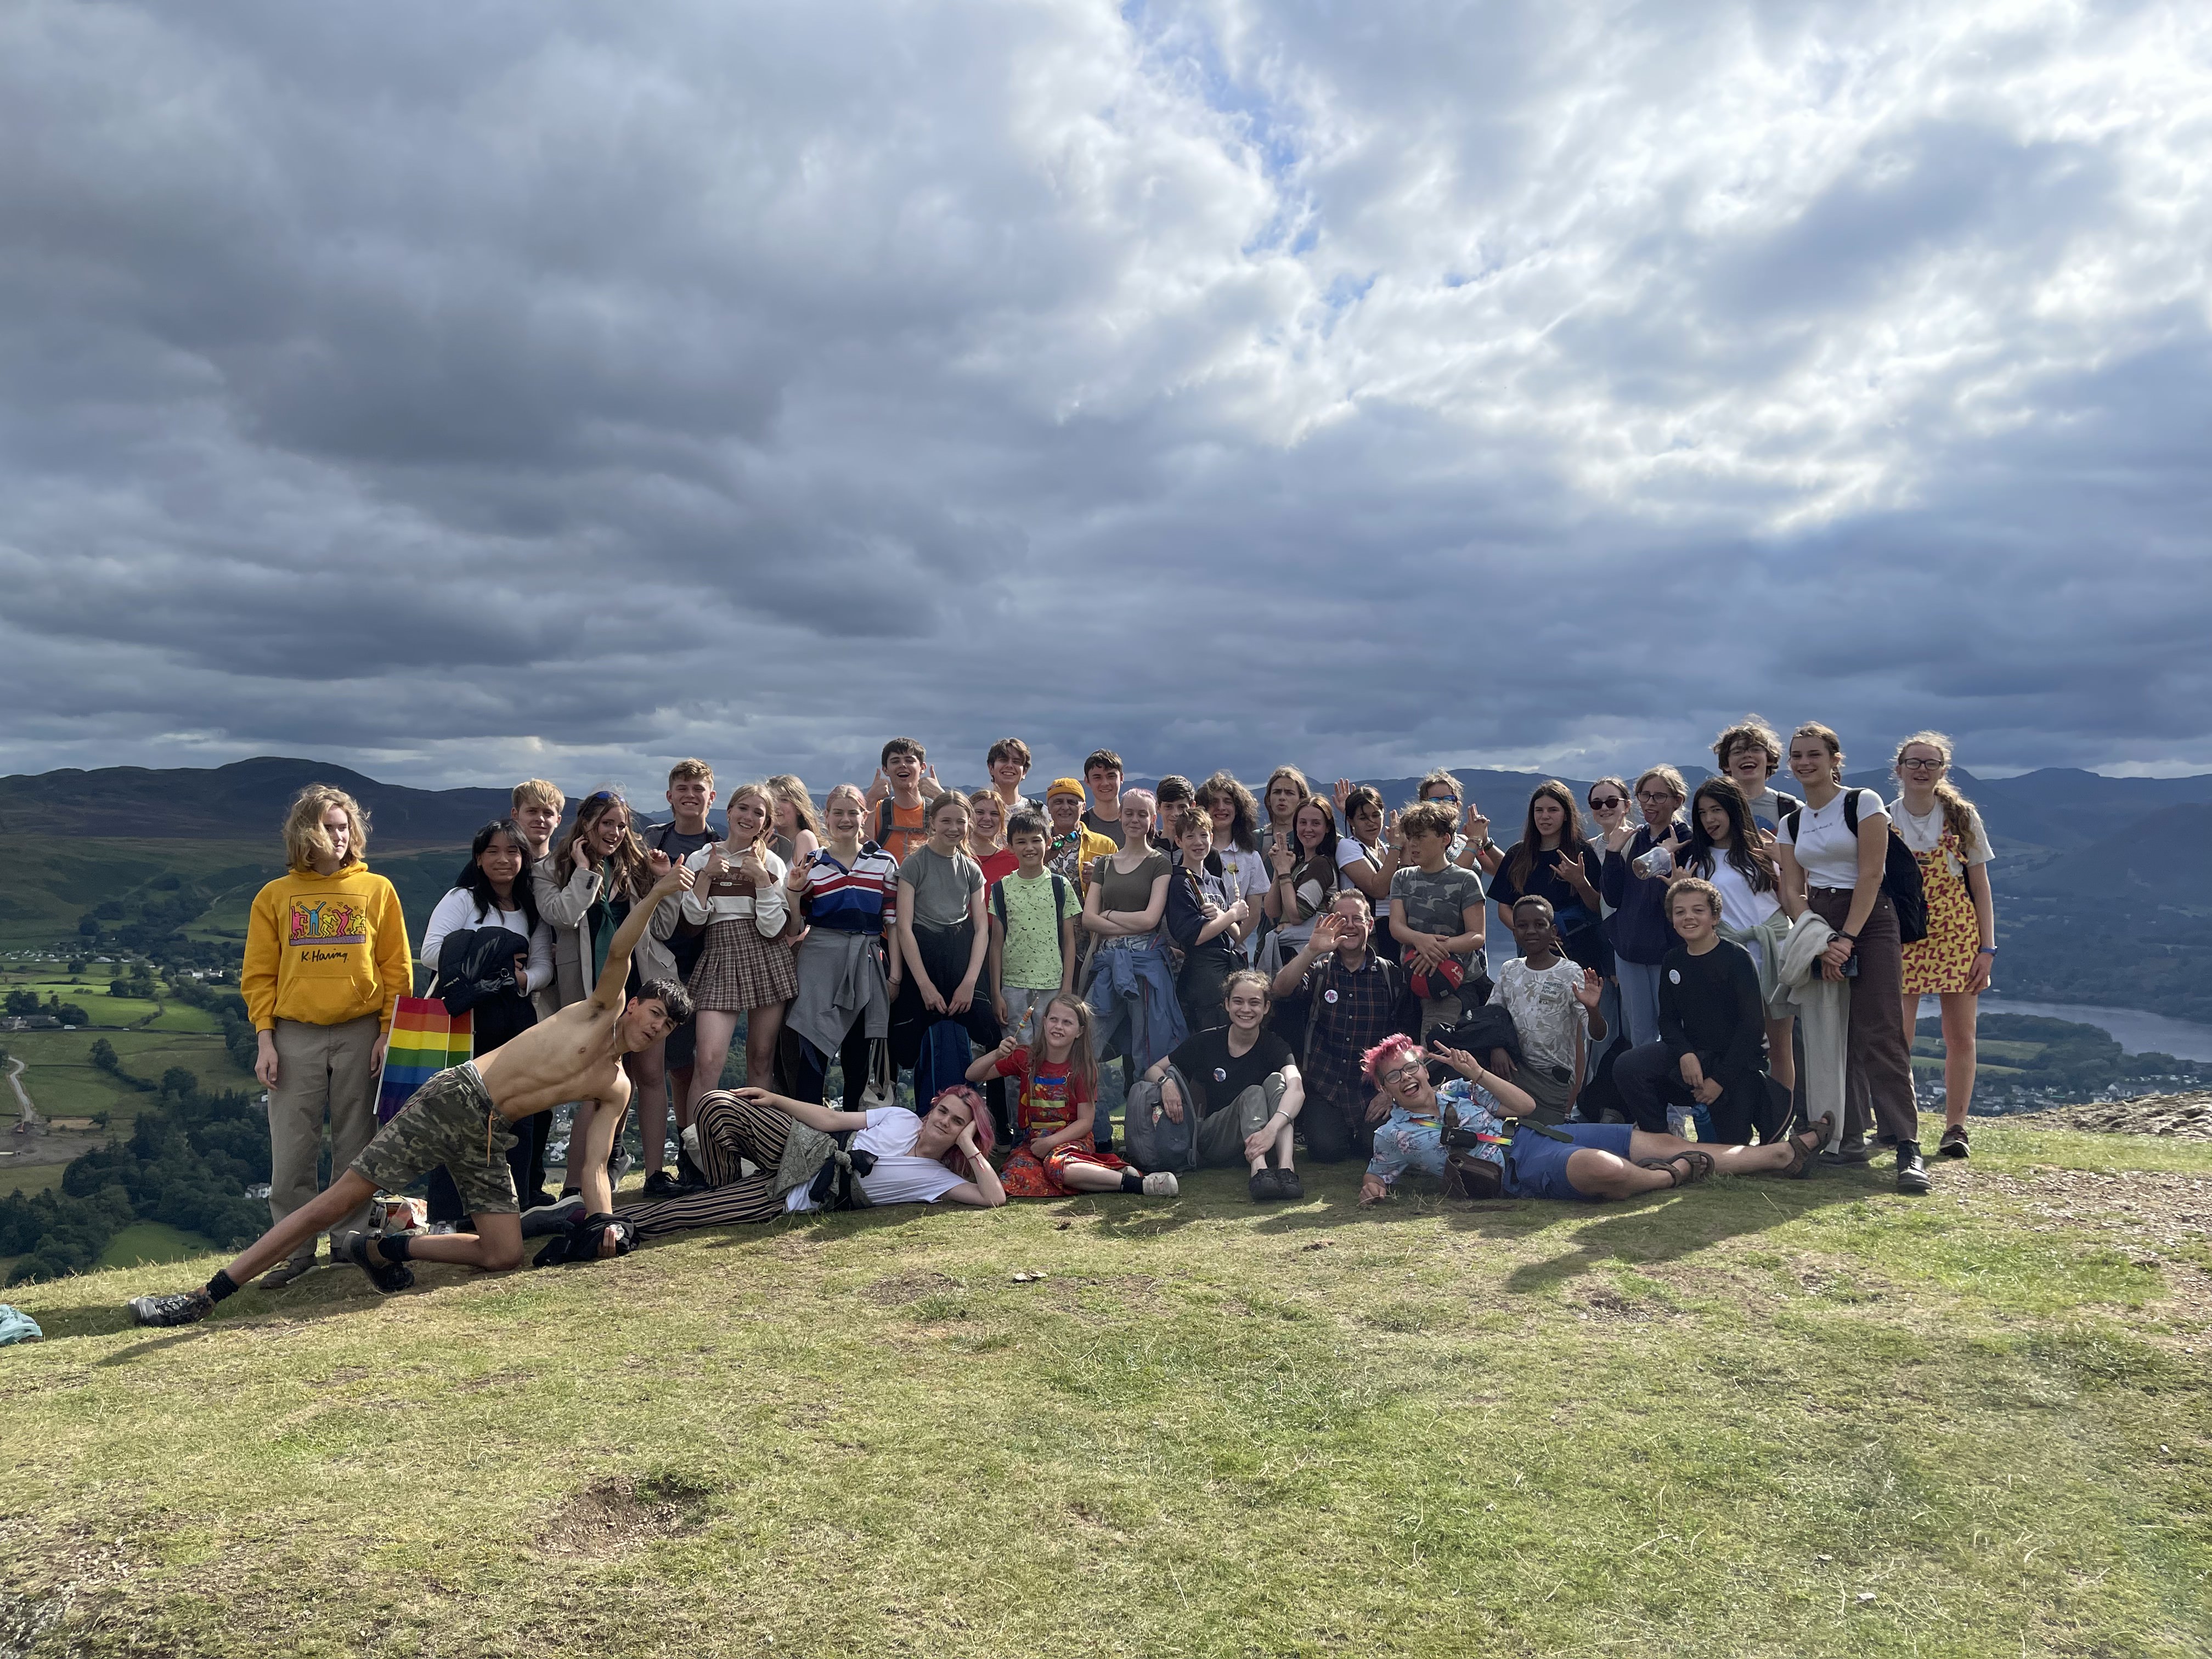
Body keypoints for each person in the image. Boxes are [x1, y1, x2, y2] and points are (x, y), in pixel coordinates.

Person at [128, 865, 697, 1325]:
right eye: (654, 1014)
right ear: (635, 1003)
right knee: (338, 1198)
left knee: (502, 1255)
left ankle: (381, 1249)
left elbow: (597, 1166)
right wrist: (661, 891)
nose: (655, 1028)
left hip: (490, 1132)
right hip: (457, 1096)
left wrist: (605, 1226)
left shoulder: (616, 1085)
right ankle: (207, 1295)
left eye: (667, 1027)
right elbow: (621, 948)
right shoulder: (598, 1010)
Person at [238, 785, 413, 1289]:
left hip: (361, 1030)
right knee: (292, 1146)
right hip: (294, 1033)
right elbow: (259, 975)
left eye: (344, 828)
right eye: (328, 829)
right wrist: (265, 1040)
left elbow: (396, 968)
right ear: (305, 835)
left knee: (357, 1141)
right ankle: (292, 1251)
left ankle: (349, 1243)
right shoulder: (274, 896)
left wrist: (387, 1031)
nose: (339, 838)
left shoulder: (377, 890)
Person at [1356, 1032, 1821, 1209]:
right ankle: (1671, 1178)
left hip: (1540, 1133)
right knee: (1602, 1169)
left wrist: (1477, 1072)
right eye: (1393, 1076)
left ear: (1423, 1066)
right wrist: (1373, 1188)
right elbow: (1377, 1175)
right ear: (1384, 1088)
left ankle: (1778, 1155)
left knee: (1655, 1141)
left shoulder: (1459, 1089)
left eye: (1411, 1066)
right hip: (1515, 1169)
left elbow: (1525, 1108)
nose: (1407, 1077)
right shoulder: (1393, 1134)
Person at [1775, 723, 1928, 1193]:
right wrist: (1819, 935)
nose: (1804, 763)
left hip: (1871, 918)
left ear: (1834, 759)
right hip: (1820, 921)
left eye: (1814, 754)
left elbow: (1871, 873)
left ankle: (1906, 1144)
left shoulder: (1862, 803)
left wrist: (1848, 937)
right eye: (1797, 755)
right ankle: (1846, 1138)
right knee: (1829, 1031)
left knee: (1879, 1029)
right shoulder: (1791, 822)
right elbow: (1790, 887)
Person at [611, 1084, 1005, 1243]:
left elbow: (994, 1198)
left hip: (804, 1195)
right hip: (802, 1147)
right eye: (944, 1111)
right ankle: (722, 1188)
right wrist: (775, 1098)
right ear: (934, 1107)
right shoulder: (901, 1116)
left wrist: (970, 1146)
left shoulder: (936, 1180)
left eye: (957, 1122)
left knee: (685, 1212)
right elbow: (833, 1121)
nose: (944, 1121)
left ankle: (606, 1226)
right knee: (715, 1104)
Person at [537, 789, 688, 1197]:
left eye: (622, 825)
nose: (616, 833)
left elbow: (663, 927)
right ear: (586, 823)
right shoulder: (551, 868)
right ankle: (574, 1186)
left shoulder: (636, 865)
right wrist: (586, 872)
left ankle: (655, 1174)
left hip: (644, 981)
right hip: (593, 992)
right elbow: (564, 915)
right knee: (599, 1082)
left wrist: (662, 883)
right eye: (607, 824)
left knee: (651, 1077)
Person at [417, 820, 556, 1223]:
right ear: (479, 858)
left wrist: (520, 978)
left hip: (515, 1017)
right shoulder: (463, 900)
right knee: (458, 1116)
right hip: (465, 1021)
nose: (503, 860)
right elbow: (430, 952)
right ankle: (449, 1215)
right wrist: (497, 955)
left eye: (512, 852)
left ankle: (515, 1208)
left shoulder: (531, 907)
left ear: (524, 859)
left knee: (519, 1112)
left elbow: (544, 966)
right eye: (493, 851)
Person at [1613, 881, 1790, 1147]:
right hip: (1694, 1056)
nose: (1689, 918)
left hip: (1735, 1063)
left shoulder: (1737, 959)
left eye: (1698, 910)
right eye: (1680, 912)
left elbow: (1752, 1028)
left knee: (1728, 1147)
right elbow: (1668, 1020)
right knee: (1629, 1066)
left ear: (1715, 917)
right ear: (1672, 919)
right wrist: (1685, 1054)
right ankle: (1661, 1141)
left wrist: (1719, 1080)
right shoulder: (1673, 959)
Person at [1891, 732, 1997, 1159]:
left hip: (1958, 935)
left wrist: (1987, 949)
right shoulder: (1881, 817)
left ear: (1942, 771)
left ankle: (1956, 1128)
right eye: (1914, 762)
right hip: (1902, 935)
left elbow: (1981, 887)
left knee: (1961, 1036)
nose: (1921, 770)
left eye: (1930, 764)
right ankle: (1900, 1124)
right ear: (1898, 769)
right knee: (1898, 1037)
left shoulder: (1962, 817)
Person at [968, 994, 1178, 1199]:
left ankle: (1138, 1184)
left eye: (1067, 1022)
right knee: (1016, 1177)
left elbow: (1085, 1122)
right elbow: (973, 1075)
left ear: (1080, 1031)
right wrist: (996, 1054)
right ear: (1044, 1022)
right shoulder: (1025, 1057)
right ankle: (1104, 1172)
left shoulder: (1082, 1068)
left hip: (1072, 1140)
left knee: (1058, 1166)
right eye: (1054, 1020)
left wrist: (1051, 1143)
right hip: (1034, 1143)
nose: (1058, 1026)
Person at [1668, 777, 1797, 1098]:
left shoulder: (1763, 849)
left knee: (1781, 1046)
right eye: (1702, 813)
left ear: (1734, 810)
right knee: (1735, 1042)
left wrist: (1784, 860)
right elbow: (1686, 916)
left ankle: (1778, 1124)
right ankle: (1736, 1118)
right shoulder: (1698, 862)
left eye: (1717, 810)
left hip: (1774, 952)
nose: (1710, 819)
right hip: (1728, 963)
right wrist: (1677, 887)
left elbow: (1789, 899)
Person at [1137, 970, 1307, 1201]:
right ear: (1226, 1004)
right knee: (1254, 1092)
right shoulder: (1207, 1041)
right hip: (1214, 1139)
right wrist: (1166, 1083)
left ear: (1266, 1008)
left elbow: (1297, 1089)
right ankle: (1259, 1172)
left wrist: (1271, 1130)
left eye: (1254, 1003)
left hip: (1265, 1137)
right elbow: (1153, 1070)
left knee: (1280, 1082)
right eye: (1238, 1001)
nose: (1246, 1010)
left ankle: (1286, 1170)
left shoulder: (1275, 1045)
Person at [1269, 893, 1413, 1163]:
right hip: (1326, 1086)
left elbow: (1406, 1042)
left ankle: (1364, 1132)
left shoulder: (1391, 976)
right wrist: (1311, 950)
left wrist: (1390, 1094)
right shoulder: (1319, 971)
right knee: (1326, 1151)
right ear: (1330, 924)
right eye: (1341, 919)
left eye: (1357, 919)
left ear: (1370, 925)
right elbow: (1279, 989)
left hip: (1374, 1089)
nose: (1349, 925)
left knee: (1373, 1147)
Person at [785, 783, 901, 1110]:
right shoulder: (812, 863)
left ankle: (851, 1141)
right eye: (838, 812)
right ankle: (808, 1141)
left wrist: (896, 976)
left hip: (867, 959)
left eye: (853, 812)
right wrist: (793, 893)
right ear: (827, 817)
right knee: (813, 1051)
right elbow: (796, 927)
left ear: (864, 816)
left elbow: (892, 922)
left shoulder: (884, 862)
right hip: (820, 961)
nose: (845, 819)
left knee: (858, 1056)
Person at [680, 782, 795, 1108]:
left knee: (761, 1058)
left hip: (765, 954)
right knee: (708, 1062)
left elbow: (774, 930)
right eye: (743, 808)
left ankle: (753, 1144)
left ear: (766, 823)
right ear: (729, 812)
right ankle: (699, 1150)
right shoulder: (702, 857)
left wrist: (761, 880)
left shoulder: (772, 864)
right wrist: (705, 877)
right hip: (719, 954)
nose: (749, 817)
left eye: (758, 813)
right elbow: (690, 924)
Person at [638, 760, 720, 1200]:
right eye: (682, 788)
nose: (691, 794)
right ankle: (653, 1172)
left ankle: (691, 1160)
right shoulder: (652, 840)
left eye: (699, 788)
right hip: (654, 967)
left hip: (704, 967)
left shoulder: (720, 844)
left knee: (687, 1070)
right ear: (669, 795)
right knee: (650, 1071)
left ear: (712, 797)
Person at [890, 793, 1003, 1078]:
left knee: (989, 1031)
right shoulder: (914, 864)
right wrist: (925, 985)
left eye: (961, 822)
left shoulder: (971, 869)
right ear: (933, 823)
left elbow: (980, 929)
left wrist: (969, 983)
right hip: (922, 955)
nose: (954, 828)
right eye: (946, 821)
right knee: (907, 1042)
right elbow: (904, 926)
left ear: (969, 824)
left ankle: (991, 1113)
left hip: (959, 956)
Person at [1080, 789, 1182, 1090]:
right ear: (1121, 815)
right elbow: (1088, 919)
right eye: (1129, 813)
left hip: (1146, 964)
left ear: (1153, 820)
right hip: (1109, 961)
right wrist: (1124, 921)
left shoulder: (1159, 863)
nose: (1135, 819)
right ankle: (1093, 1129)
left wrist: (1108, 914)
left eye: (1142, 814)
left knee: (1148, 1047)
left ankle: (1146, 1123)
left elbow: (1151, 920)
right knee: (1086, 1041)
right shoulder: (1105, 864)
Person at [1487, 896, 1607, 1126]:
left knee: (1545, 1138)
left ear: (1553, 931)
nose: (1531, 931)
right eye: (1522, 926)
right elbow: (1492, 1017)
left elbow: (1599, 1034)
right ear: (1514, 933)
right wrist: (1497, 1047)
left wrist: (1593, 1010)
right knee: (1511, 1138)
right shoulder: (1509, 970)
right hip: (1513, 1071)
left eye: (1539, 924)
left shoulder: (1570, 972)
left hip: (1552, 1078)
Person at [1601, 766, 1691, 1048]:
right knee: (1640, 1035)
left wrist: (1666, 855)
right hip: (1630, 949)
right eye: (1645, 795)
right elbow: (1614, 897)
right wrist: (1613, 854)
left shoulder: (1687, 840)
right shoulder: (1635, 838)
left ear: (1678, 801)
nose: (1650, 803)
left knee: (1676, 1031)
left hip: (1669, 950)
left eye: (1660, 797)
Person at [1483, 782, 1609, 977]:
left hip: (1580, 950)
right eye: (1539, 810)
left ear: (1566, 815)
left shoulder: (1582, 853)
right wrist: (1530, 933)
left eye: (1553, 810)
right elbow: (1504, 907)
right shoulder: (1518, 855)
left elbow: (1598, 908)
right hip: (1532, 951)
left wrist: (1580, 882)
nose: (1545, 816)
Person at [1387, 800, 1488, 1036]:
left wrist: (1437, 948)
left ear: (1445, 839)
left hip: (1454, 984)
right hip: (1412, 979)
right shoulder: (1402, 878)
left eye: (1421, 837)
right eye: (1410, 837)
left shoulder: (1466, 880)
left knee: (1437, 1053)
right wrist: (1421, 941)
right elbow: (1396, 926)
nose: (1413, 844)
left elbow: (1477, 936)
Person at [991, 808, 1082, 1042]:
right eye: (1021, 842)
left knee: (1051, 1047)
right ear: (1010, 846)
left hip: (1051, 984)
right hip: (1013, 986)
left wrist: (1066, 990)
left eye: (1036, 840)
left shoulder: (1059, 886)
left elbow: (1069, 941)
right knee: (1016, 1051)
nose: (1029, 847)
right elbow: (996, 944)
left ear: (1049, 842)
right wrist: (996, 992)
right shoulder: (1001, 889)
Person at [1260, 794, 1341, 1047]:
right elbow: (1272, 910)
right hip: (1287, 950)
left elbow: (1297, 915)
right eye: (1302, 823)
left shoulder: (1321, 865)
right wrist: (1279, 869)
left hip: (1304, 955)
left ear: (1327, 828)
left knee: (1294, 1023)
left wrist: (1285, 872)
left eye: (1316, 823)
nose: (1308, 829)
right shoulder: (1300, 864)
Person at [1164, 808, 1249, 1034]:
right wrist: (1231, 915)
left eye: (1204, 835)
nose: (1198, 842)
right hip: (1201, 978)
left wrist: (1225, 917)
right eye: (1190, 836)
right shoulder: (1179, 883)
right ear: (1179, 841)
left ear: (1212, 838)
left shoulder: (1216, 882)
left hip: (1227, 970)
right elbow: (1194, 936)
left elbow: (1237, 935)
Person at [1194, 772, 1267, 947]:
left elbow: (1255, 915)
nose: (1221, 808)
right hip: (1194, 947)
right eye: (1214, 803)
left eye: (1228, 802)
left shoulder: (1250, 858)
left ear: (1238, 809)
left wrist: (1233, 944)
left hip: (1234, 950)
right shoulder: (1190, 852)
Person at [1331, 783, 1401, 963]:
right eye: (1363, 818)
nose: (1371, 822)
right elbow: (1377, 889)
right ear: (1351, 821)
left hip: (1393, 934)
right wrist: (1397, 847)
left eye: (1376, 815)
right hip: (1369, 937)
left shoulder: (1386, 850)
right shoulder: (1349, 847)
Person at [1712, 716, 1803, 836]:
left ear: (1769, 759)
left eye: (1755, 750)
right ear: (1726, 764)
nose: (1747, 755)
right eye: (1738, 752)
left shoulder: (1792, 808)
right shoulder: (1713, 807)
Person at [1415, 769, 1502, 877]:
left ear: (1458, 805)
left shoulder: (1463, 841)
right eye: (1436, 800)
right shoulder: (1419, 843)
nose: (1443, 805)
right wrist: (1475, 840)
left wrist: (1485, 842)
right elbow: (1451, 878)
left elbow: (1506, 871)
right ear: (1423, 806)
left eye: (1449, 799)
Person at [866, 738, 937, 865]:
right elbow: (861, 855)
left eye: (910, 760)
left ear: (922, 767)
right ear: (885, 770)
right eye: (895, 761)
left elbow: (964, 843)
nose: (903, 765)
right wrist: (870, 801)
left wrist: (942, 797)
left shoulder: (937, 811)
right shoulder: (877, 810)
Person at [1041, 778, 1116, 894]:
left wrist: (1100, 880)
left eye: (1072, 802)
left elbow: (1120, 888)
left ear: (1084, 808)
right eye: (1058, 802)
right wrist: (1040, 861)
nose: (1065, 807)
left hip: (1090, 912)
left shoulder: (1106, 845)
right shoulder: (1036, 843)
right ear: (1049, 808)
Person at [765, 774, 824, 869]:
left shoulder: (805, 838)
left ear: (799, 808)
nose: (775, 806)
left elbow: (805, 882)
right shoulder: (769, 845)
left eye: (784, 800)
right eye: (771, 800)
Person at [965, 789, 1019, 886]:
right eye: (980, 812)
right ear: (968, 817)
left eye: (995, 814)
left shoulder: (1016, 861)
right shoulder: (956, 858)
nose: (987, 818)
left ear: (1002, 820)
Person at [1080, 749, 1128, 848]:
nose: (1105, 783)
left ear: (1122, 778)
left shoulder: (1135, 822)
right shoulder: (1081, 824)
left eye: (1111, 776)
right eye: (1097, 777)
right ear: (1087, 781)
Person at [984, 738, 1036, 820]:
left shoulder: (1039, 812)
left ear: (1024, 772)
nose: (1010, 765)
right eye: (1003, 760)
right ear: (991, 768)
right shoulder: (974, 811)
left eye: (1016, 762)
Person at [1153, 775, 1195, 848]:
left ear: (1192, 807)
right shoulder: (1146, 848)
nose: (1175, 813)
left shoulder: (1202, 849)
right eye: (1168, 807)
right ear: (1158, 807)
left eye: (1182, 807)